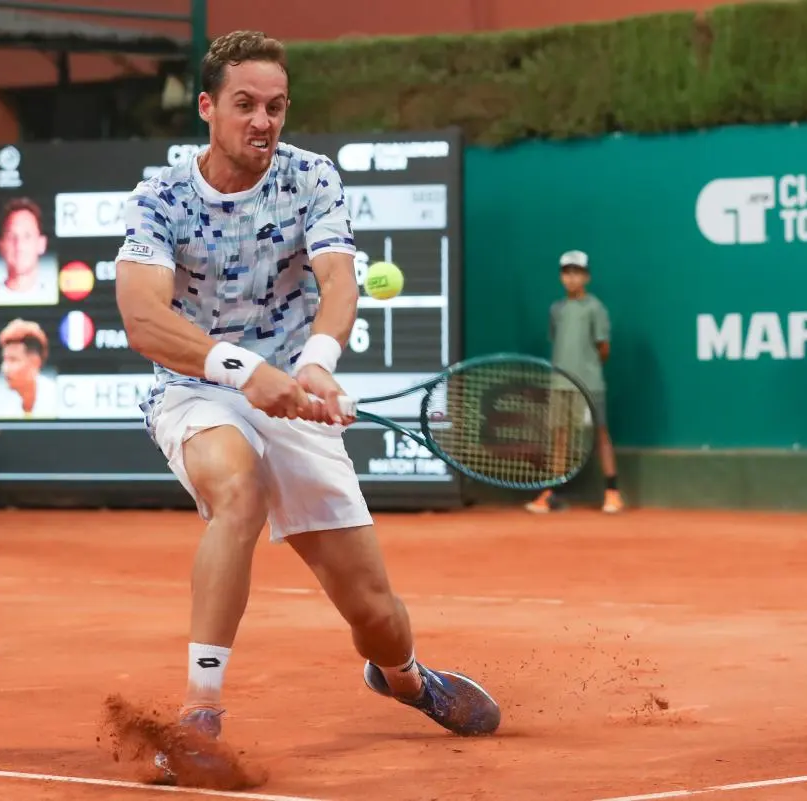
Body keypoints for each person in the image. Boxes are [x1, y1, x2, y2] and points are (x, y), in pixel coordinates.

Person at [113, 30, 501, 783]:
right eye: (246, 104)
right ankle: (199, 712)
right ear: (208, 107)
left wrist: (317, 365)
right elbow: (143, 318)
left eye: (277, 106)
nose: (263, 120)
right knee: (239, 491)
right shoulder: (158, 198)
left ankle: (406, 679)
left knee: (376, 614)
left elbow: (338, 280)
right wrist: (241, 368)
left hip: (294, 389)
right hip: (196, 390)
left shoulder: (311, 177)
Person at [525, 250, 624, 514]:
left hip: (589, 384)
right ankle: (550, 494)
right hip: (559, 383)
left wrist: (586, 370)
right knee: (559, 438)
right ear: (561, 277)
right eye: (566, 273)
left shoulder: (595, 308)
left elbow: (603, 348)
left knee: (600, 435)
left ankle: (612, 492)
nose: (571, 278)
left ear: (586, 277)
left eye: (577, 272)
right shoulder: (556, 310)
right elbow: (558, 341)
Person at [0, 198, 57, 307]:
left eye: (27, 236)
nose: (19, 245)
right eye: (11, 236)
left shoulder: (52, 295)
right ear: (0, 245)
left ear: (41, 244)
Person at [0, 318, 56, 419]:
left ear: (35, 362)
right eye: (4, 360)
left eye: (13, 360)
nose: (4, 368)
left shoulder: (56, 400)